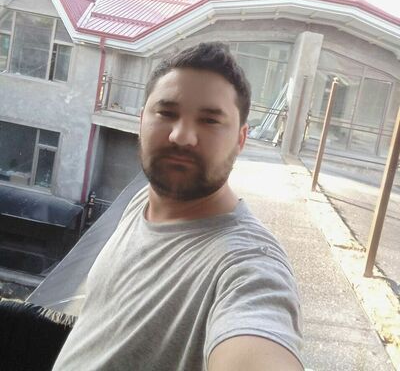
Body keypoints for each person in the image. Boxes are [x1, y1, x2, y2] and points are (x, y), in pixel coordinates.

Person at [53, 42, 303, 371]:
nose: (182, 136)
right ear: (141, 120)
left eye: (210, 120)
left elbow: (257, 334)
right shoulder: (143, 200)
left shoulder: (248, 265)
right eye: (167, 113)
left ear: (241, 140)